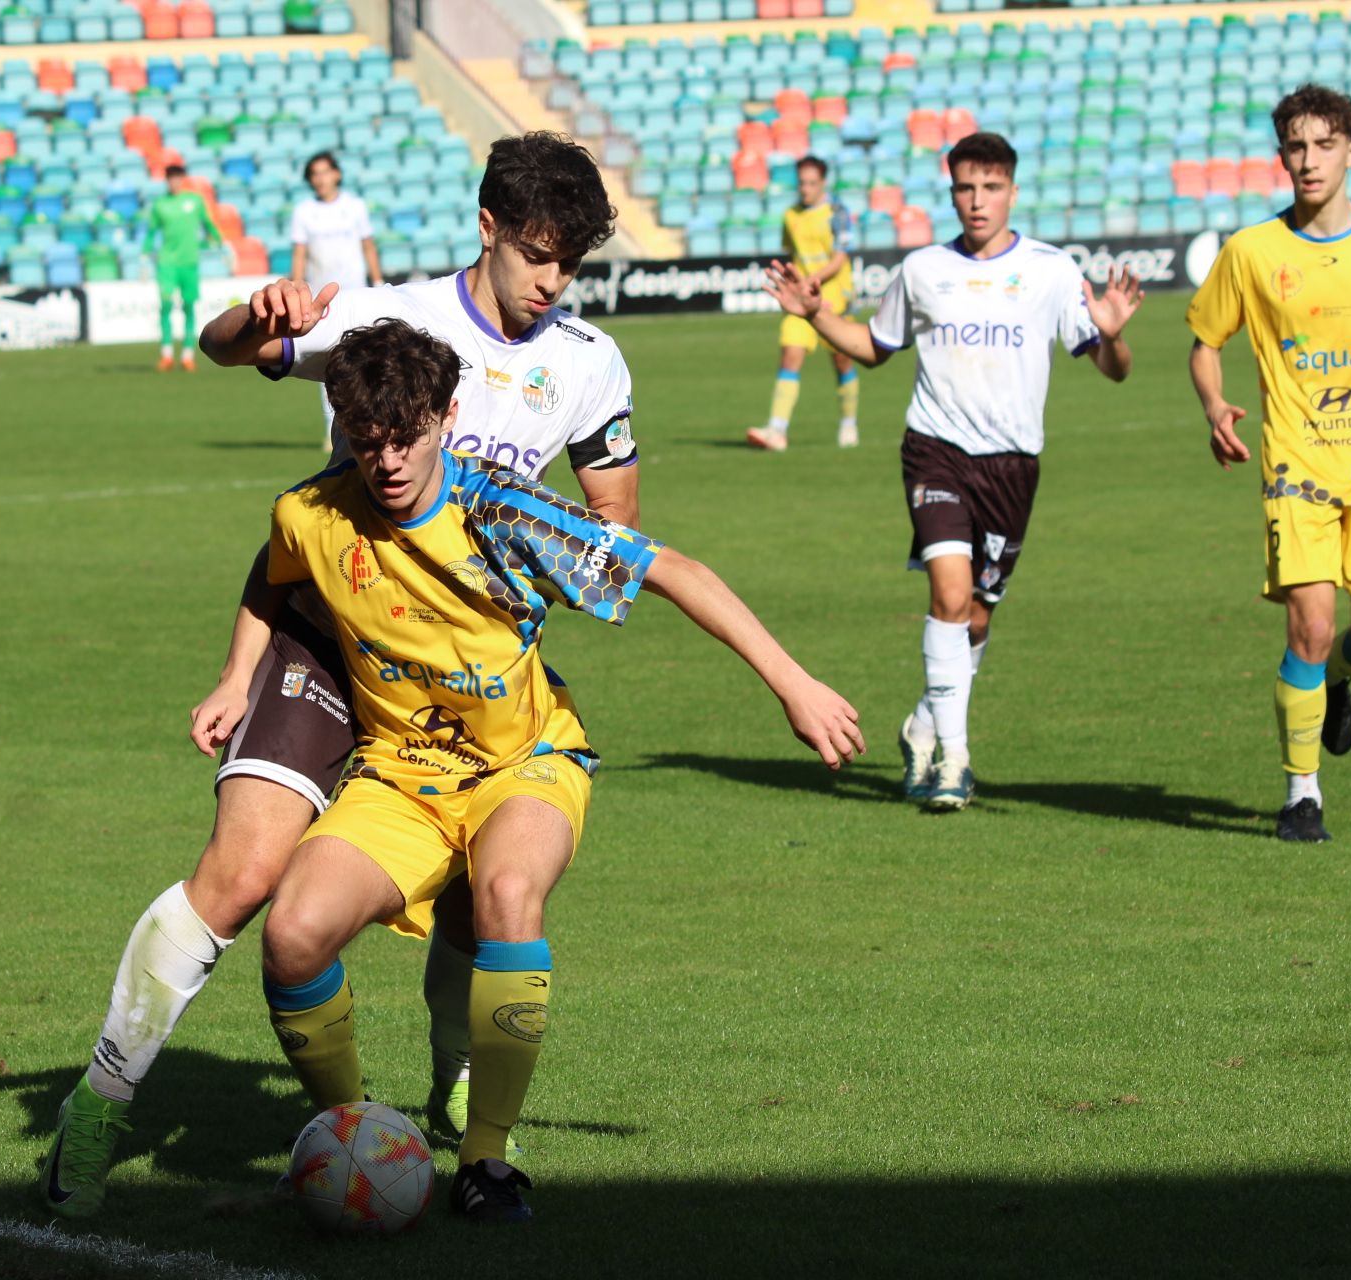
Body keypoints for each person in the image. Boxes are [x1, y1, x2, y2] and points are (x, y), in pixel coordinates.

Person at [42, 133, 640, 1218]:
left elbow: (617, 516)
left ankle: (457, 1076)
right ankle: (100, 1101)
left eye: (573, 264)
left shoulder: (591, 360)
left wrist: (568, 555)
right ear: (488, 228)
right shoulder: (387, 318)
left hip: (464, 662)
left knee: (480, 888)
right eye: (539, 255)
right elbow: (232, 349)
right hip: (329, 629)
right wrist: (257, 317)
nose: (553, 283)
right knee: (241, 872)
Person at [205, 317, 863, 1222]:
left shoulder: (503, 513)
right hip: (400, 775)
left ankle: (486, 1160)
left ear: (447, 413)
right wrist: (237, 678)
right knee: (292, 936)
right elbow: (274, 576)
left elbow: (672, 569)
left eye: (406, 435)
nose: (388, 460)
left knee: (510, 893)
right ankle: (354, 1136)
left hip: (526, 761)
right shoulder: (311, 511)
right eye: (366, 440)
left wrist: (795, 683)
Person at [765, 131, 1143, 811]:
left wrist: (1113, 335)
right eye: (966, 188)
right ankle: (954, 761)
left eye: (991, 188)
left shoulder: (1052, 271)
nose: (977, 201)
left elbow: (1114, 371)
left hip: (1013, 465)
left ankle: (922, 725)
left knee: (975, 616)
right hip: (934, 451)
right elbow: (874, 347)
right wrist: (818, 312)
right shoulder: (923, 270)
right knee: (948, 595)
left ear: (1012, 193)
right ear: (952, 192)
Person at [1187, 84, 1351, 843]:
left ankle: (1338, 680)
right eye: (1295, 147)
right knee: (1311, 624)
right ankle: (1303, 796)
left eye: (1324, 145)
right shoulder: (1253, 253)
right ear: (1281, 157)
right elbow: (1206, 344)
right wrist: (1214, 405)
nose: (1309, 160)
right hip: (1296, 468)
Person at [747, 156, 862, 451]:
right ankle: (777, 430)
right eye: (801, 183)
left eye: (812, 183)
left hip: (833, 297)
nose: (806, 189)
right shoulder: (791, 215)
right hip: (800, 299)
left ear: (822, 183)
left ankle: (849, 423)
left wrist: (814, 279)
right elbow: (791, 252)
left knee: (841, 360)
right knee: (790, 355)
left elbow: (840, 257)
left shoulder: (837, 212)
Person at [142, 164, 221, 372]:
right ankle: (166, 354)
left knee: (188, 307)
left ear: (182, 179)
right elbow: (151, 233)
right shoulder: (160, 205)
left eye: (177, 177)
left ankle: (187, 355)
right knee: (166, 305)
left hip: (190, 263)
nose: (174, 182)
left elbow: (209, 225)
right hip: (167, 263)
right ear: (166, 180)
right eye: (170, 178)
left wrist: (220, 243)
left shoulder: (194, 201)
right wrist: (143, 256)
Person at [289, 151, 384, 294]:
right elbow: (299, 255)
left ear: (336, 174)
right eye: (315, 174)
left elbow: (368, 247)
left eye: (325, 172)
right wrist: (296, 289)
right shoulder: (302, 211)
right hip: (319, 293)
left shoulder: (356, 206)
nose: (321, 179)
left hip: (355, 290)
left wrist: (378, 283)